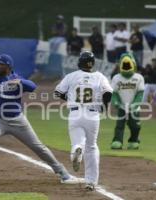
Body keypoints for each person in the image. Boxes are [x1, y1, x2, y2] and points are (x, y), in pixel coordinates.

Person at [0, 9, 81, 186]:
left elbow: (33, 87)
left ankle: (63, 174)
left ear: (8, 67)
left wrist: (19, 83)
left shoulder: (15, 79)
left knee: (38, 148)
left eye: (0, 64)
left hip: (18, 121)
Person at [55, 51, 113, 191]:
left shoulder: (71, 76)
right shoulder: (99, 76)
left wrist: (70, 98)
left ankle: (76, 150)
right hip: (92, 115)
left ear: (79, 62)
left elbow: (57, 92)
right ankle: (90, 182)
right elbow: (108, 93)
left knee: (77, 142)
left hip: (75, 113)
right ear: (92, 63)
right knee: (92, 146)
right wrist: (104, 107)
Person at [111, 54, 144, 150]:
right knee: (119, 125)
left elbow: (140, 93)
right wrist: (116, 102)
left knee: (135, 126)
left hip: (134, 108)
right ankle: (117, 141)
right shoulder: (116, 78)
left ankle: (133, 140)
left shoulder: (139, 78)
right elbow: (114, 93)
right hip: (122, 107)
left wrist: (135, 104)